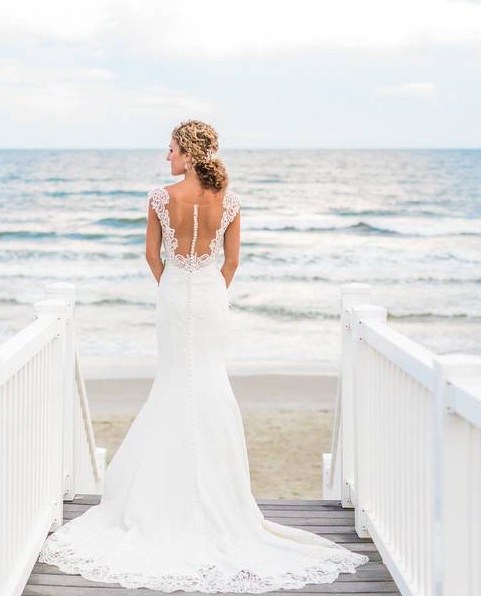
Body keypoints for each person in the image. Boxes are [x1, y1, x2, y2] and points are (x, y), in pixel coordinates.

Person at [38, 119, 369, 592]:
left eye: (171, 149)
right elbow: (231, 261)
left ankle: (164, 498)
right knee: (210, 385)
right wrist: (210, 291)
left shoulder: (160, 198)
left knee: (173, 385)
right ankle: (222, 500)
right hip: (212, 299)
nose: (166, 157)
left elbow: (153, 257)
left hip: (174, 297)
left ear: (188, 155)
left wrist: (175, 287)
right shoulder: (229, 203)